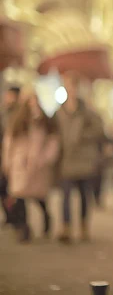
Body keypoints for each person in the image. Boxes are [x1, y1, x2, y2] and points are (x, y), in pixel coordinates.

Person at [1, 92, 60, 242]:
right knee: (19, 196)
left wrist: (46, 158)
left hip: (38, 165)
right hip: (20, 164)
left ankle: (46, 217)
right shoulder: (17, 121)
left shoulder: (45, 121)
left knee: (39, 197)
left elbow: (53, 142)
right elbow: (9, 142)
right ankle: (23, 228)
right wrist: (7, 162)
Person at [55, 74, 105, 243]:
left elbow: (99, 130)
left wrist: (82, 136)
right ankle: (66, 227)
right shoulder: (59, 112)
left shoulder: (87, 111)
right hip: (67, 159)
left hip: (84, 159)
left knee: (85, 195)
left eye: (73, 86)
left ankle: (84, 226)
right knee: (66, 195)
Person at [1, 86, 20, 228]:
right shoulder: (4, 113)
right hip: (5, 155)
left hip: (18, 157)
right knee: (4, 189)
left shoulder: (21, 114)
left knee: (19, 190)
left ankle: (20, 222)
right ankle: (11, 217)